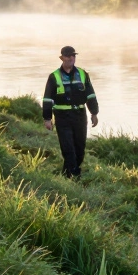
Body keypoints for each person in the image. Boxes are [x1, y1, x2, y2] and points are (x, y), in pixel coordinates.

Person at [42, 46, 99, 178]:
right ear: (62, 58)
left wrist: (94, 113)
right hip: (62, 117)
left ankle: (67, 172)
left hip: (79, 115)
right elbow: (47, 98)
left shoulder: (83, 74)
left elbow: (90, 95)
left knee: (80, 148)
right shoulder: (54, 76)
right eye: (68, 56)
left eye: (73, 55)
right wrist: (47, 118)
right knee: (68, 147)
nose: (71, 58)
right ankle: (74, 175)